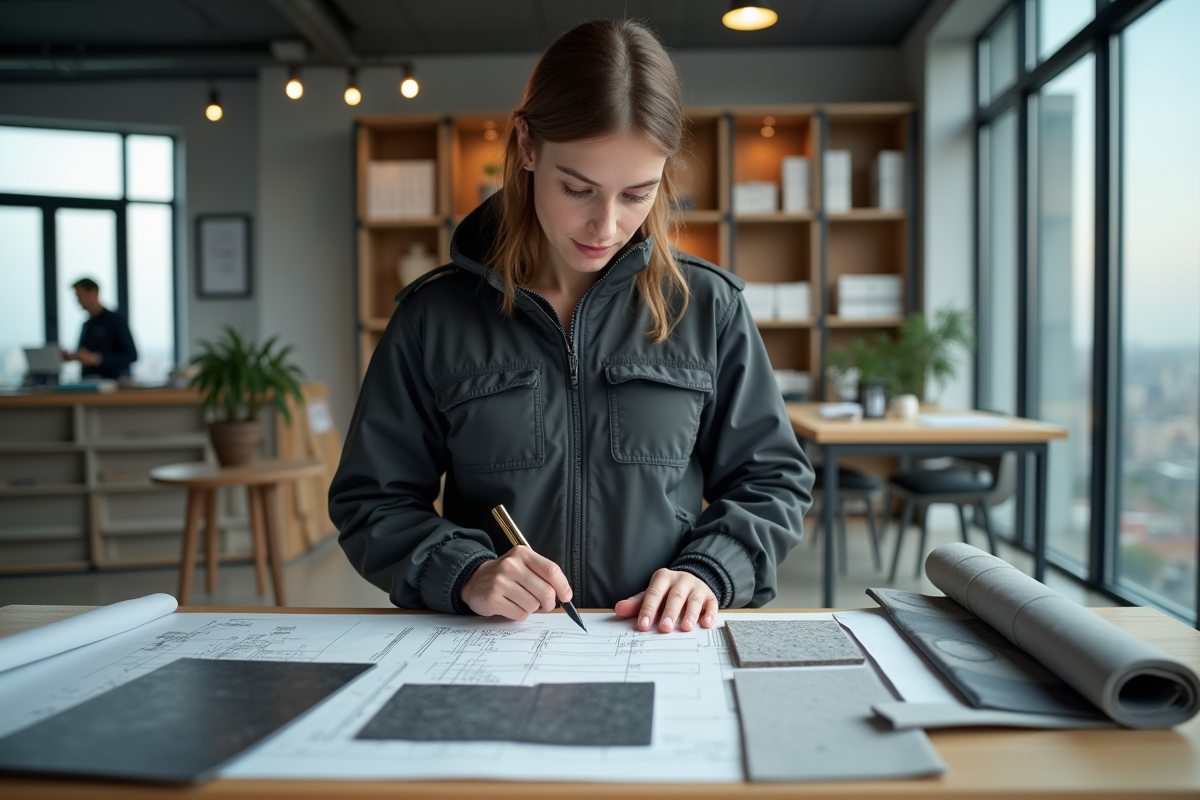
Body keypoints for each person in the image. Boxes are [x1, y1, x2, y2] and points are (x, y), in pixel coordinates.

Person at [330, 19, 814, 634]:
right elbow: (372, 500)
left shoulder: (708, 306)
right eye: (577, 188)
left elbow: (773, 480)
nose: (605, 227)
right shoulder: (434, 316)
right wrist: (464, 571)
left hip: (660, 648)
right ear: (527, 146)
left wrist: (709, 570)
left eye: (637, 194)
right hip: (495, 651)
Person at [60, 278, 138, 380]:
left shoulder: (115, 321)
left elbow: (131, 355)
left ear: (93, 293)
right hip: (88, 384)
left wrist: (98, 359)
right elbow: (85, 353)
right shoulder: (87, 325)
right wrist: (74, 356)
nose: (78, 301)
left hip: (113, 385)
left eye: (80, 296)